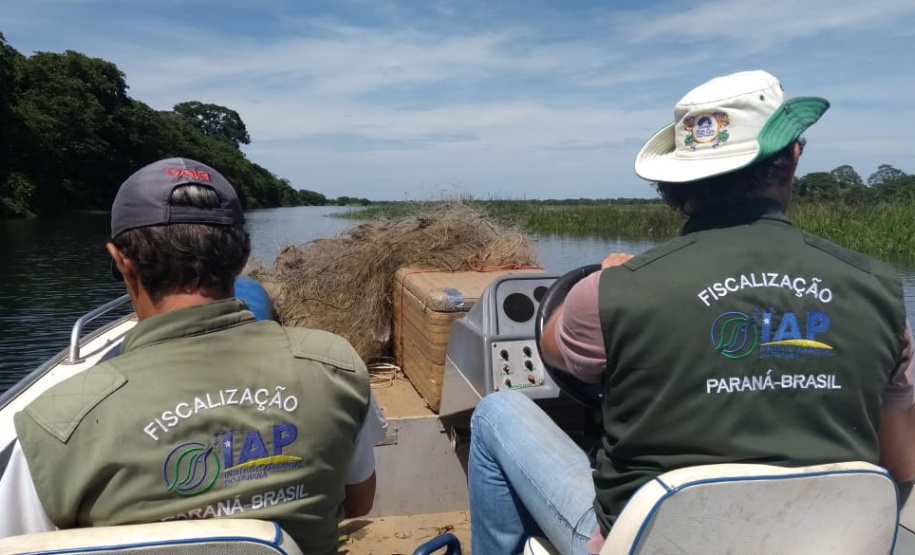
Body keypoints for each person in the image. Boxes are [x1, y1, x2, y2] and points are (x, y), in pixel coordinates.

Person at [468, 70, 915, 554]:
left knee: (497, 411)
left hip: (644, 543)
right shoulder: (882, 292)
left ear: (676, 180)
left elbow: (553, 350)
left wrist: (609, 278)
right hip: (817, 543)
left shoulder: (611, 292)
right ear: (793, 158)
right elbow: (902, 464)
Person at [0, 158, 387, 554]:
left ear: (122, 263)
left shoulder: (56, 425)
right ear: (242, 256)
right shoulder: (333, 365)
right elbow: (358, 503)